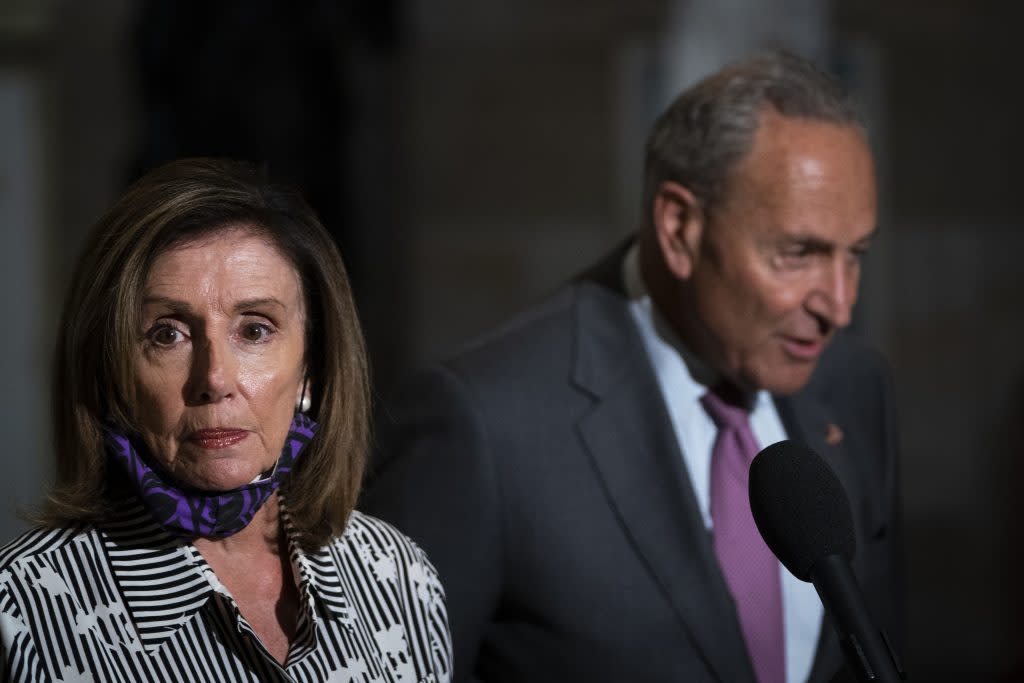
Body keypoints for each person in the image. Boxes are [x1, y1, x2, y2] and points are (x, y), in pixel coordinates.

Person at [362, 52, 904, 683]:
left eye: (856, 255)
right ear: (679, 229)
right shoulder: (483, 423)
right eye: (798, 253)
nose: (839, 304)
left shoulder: (857, 388)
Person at [0, 159, 452, 682]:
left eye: (255, 331)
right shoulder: (22, 612)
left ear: (312, 367)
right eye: (167, 334)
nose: (214, 378)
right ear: (111, 372)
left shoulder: (398, 577)